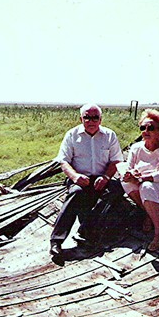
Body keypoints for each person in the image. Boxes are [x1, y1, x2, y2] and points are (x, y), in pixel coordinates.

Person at [50, 103, 124, 259]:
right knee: (76, 193)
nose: (91, 121)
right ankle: (56, 241)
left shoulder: (110, 135)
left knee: (118, 189)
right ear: (81, 119)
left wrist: (105, 177)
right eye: (87, 117)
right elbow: (64, 161)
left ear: (100, 119)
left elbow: (116, 161)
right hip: (80, 178)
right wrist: (75, 177)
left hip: (100, 178)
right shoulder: (72, 135)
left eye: (95, 117)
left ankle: (85, 230)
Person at [121, 109, 159, 251]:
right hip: (142, 184)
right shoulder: (136, 148)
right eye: (143, 127)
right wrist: (129, 174)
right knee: (125, 182)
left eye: (151, 128)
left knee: (146, 187)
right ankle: (149, 212)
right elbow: (129, 167)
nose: (146, 131)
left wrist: (140, 178)